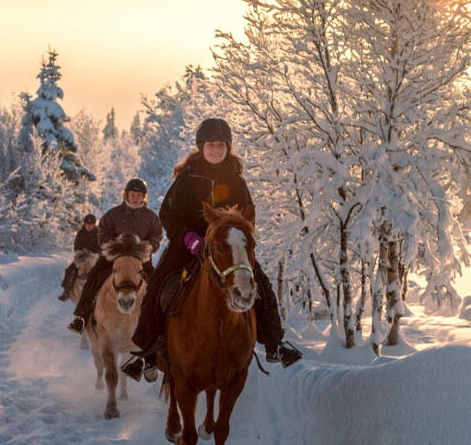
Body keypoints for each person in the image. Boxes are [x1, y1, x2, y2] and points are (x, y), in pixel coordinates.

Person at [124, 117, 302, 381]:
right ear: (201, 146)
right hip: (190, 245)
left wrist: (238, 237)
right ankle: (147, 352)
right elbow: (168, 215)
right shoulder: (186, 178)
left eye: (221, 145)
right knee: (159, 283)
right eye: (211, 145)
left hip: (227, 247)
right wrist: (188, 237)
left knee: (260, 282)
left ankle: (275, 344)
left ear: (228, 147)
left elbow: (247, 217)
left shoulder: (236, 180)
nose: (216, 150)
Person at [67, 178, 163, 334]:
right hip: (112, 258)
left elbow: (156, 237)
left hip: (141, 259)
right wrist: (115, 246)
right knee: (94, 278)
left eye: (139, 196)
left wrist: (144, 248)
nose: (135, 198)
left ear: (144, 197)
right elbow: (102, 233)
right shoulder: (113, 214)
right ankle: (82, 316)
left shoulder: (151, 217)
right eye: (132, 195)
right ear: (126, 195)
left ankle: (158, 320)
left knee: (155, 284)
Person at [58, 214, 100, 301]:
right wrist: (81, 255)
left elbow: (100, 246)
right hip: (81, 258)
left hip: (94, 257)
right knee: (69, 271)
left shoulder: (98, 233)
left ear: (94, 225)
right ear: (84, 224)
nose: (89, 226)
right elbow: (77, 246)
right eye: (87, 224)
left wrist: (94, 254)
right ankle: (67, 291)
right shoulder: (80, 233)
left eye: (91, 224)